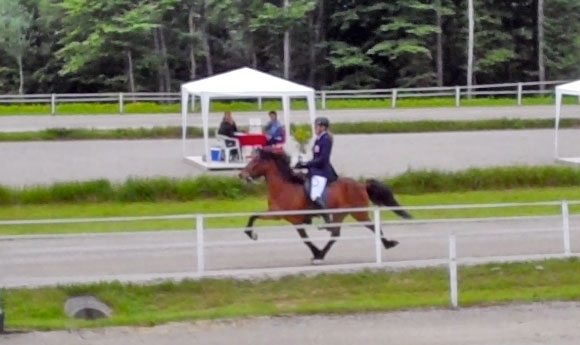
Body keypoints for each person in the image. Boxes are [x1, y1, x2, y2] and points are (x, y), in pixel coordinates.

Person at [294, 116, 338, 223]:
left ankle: (326, 217)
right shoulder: (319, 139)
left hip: (322, 171)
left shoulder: (326, 139)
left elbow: (323, 159)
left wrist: (306, 164)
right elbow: (315, 157)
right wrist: (303, 163)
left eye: (317, 126)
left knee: (314, 193)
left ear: (322, 127)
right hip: (315, 170)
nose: (315, 128)